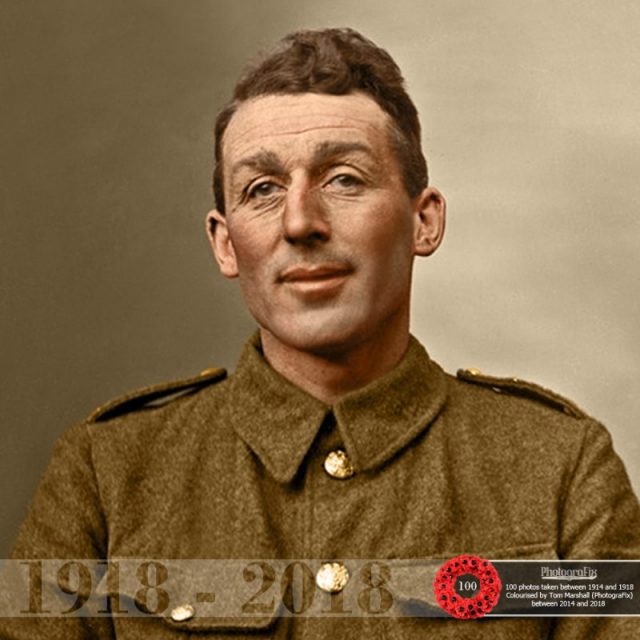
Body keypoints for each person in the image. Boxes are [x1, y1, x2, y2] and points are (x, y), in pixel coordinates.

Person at [1, 27, 638, 639]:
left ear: (424, 222)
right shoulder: (107, 473)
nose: (301, 221)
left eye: (344, 179)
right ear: (226, 245)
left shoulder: (562, 470)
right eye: (262, 189)